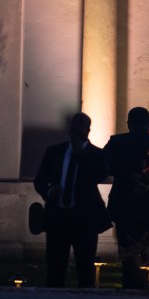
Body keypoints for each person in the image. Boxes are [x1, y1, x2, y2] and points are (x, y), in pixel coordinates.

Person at [34, 112, 111, 288]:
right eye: (73, 126)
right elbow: (39, 181)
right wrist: (49, 191)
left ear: (88, 130)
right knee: (55, 267)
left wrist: (81, 153)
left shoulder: (97, 154)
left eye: (80, 126)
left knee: (85, 268)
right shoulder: (54, 152)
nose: (76, 129)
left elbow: (100, 173)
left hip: (85, 219)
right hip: (58, 217)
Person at [103, 107, 149, 288]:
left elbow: (105, 167)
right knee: (148, 251)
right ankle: (147, 285)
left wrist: (125, 174)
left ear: (128, 124)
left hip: (124, 204)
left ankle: (129, 285)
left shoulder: (117, 142)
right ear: (148, 124)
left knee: (126, 252)